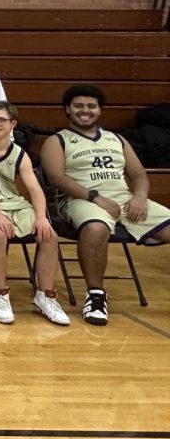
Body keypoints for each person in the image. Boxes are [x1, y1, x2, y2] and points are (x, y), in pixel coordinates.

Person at [40, 83, 170, 326]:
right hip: (80, 200)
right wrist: (95, 197)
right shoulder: (58, 140)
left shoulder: (116, 138)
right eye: (78, 106)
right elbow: (57, 178)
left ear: (100, 110)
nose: (85, 110)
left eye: (91, 106)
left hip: (124, 199)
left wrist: (140, 196)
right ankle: (96, 295)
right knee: (96, 228)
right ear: (68, 109)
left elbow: (139, 174)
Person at [0, 101, 69, 326]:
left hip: (15, 204)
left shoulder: (20, 153)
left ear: (12, 124)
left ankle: (45, 297)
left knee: (50, 235)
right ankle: (0, 294)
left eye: (0, 120)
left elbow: (35, 189)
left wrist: (40, 217)